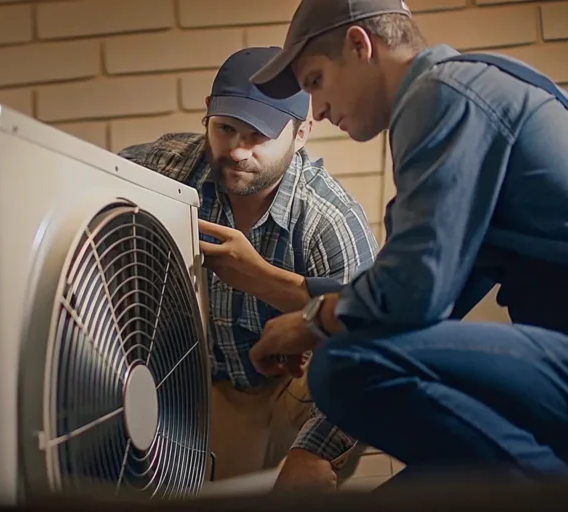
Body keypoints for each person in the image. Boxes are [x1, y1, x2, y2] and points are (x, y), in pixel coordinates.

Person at [246, 0, 568, 489]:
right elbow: (427, 297)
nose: (319, 110)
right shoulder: (473, 85)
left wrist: (313, 323)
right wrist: (305, 302)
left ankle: (567, 497)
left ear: (359, 45)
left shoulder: (441, 96)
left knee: (346, 367)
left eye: (315, 82)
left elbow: (414, 296)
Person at [118, 46, 379, 490]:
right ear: (207, 115)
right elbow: (88, 185)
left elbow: (372, 355)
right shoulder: (167, 168)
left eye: (259, 135)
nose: (238, 151)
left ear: (301, 134)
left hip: (303, 387)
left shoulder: (328, 221)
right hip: (209, 382)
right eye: (226, 129)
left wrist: (313, 450)